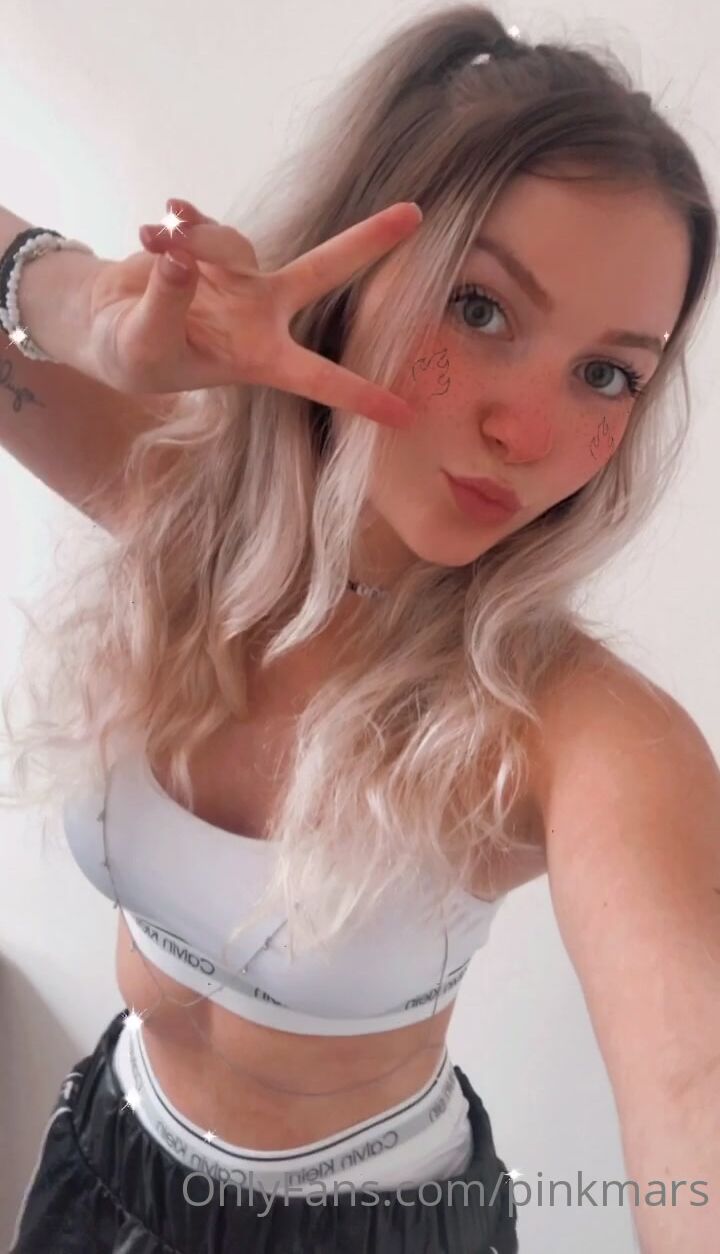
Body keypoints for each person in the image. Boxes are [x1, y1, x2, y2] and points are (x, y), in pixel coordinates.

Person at [2, 4, 719, 1251]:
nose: (527, 433)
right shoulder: (177, 502)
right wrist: (91, 317)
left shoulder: (570, 727)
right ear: (345, 274)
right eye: (481, 309)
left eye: (606, 374)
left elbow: (694, 1087)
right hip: (103, 1158)